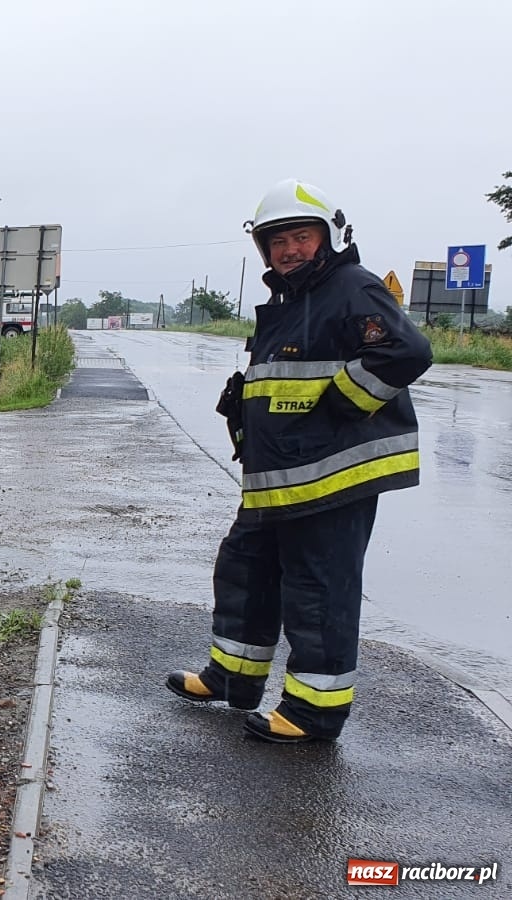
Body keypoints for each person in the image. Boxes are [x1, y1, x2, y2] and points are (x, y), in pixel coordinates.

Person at [165, 179, 432, 743]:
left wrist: (340, 403)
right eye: (277, 240)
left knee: (319, 590)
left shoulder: (351, 287)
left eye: (301, 237)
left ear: (326, 238)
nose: (289, 249)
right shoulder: (293, 300)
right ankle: (232, 677)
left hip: (332, 476)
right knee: (245, 570)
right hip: (279, 477)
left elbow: (405, 350)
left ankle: (314, 713)